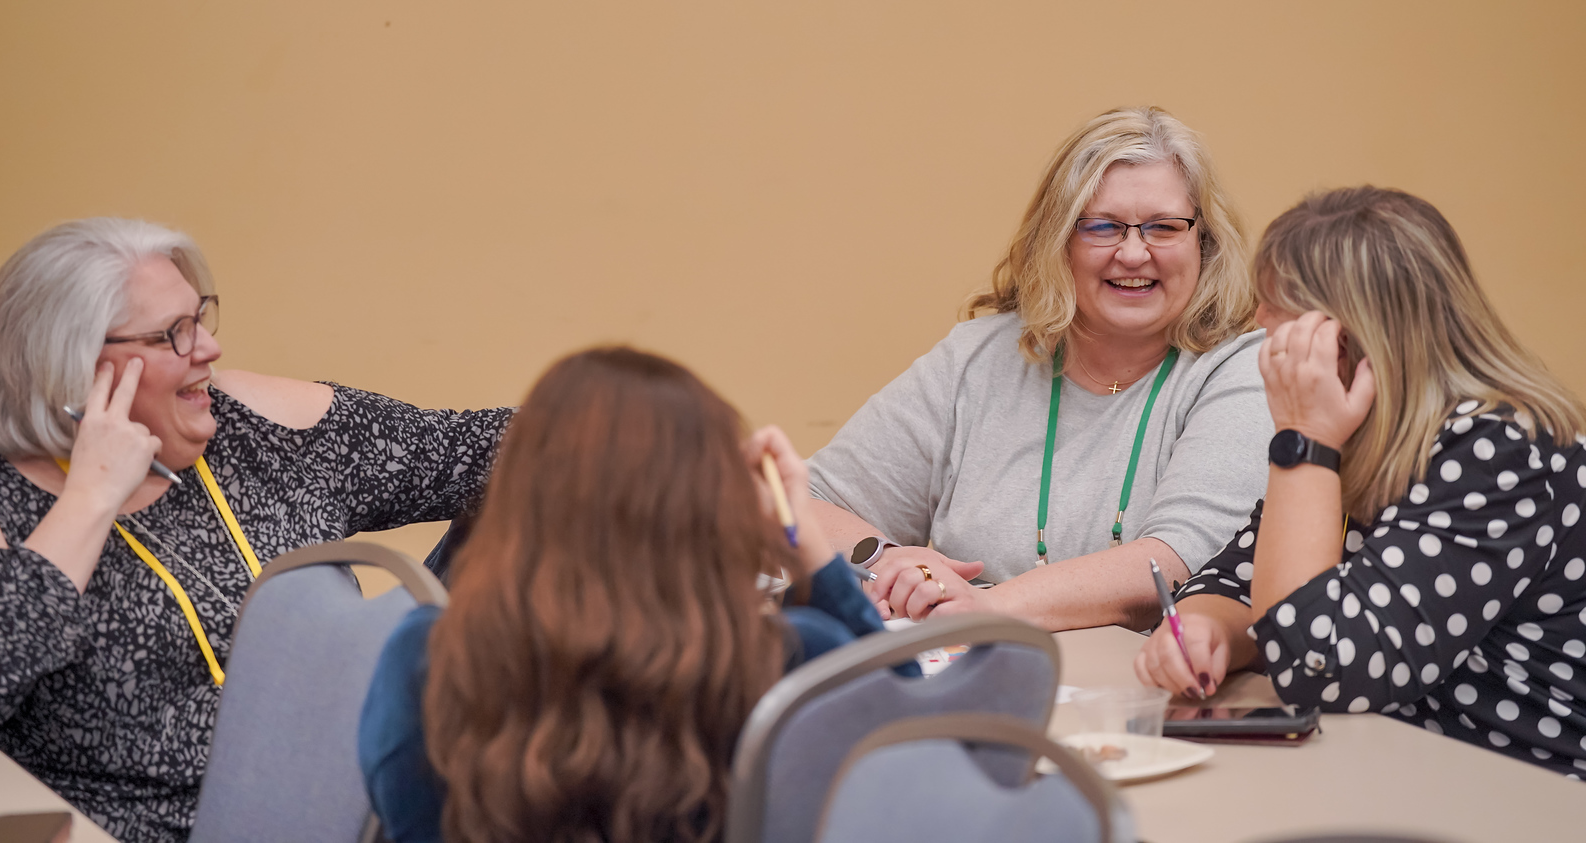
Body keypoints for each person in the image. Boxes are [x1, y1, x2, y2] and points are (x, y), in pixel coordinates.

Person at [0, 218, 511, 843]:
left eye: (200, 318)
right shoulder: (1, 502)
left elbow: (471, 451)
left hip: (368, 802)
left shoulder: (251, 424)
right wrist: (92, 495)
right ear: (73, 364)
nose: (207, 348)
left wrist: (624, 418)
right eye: (172, 335)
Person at [358, 347, 907, 843]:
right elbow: (905, 725)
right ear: (716, 506)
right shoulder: (783, 660)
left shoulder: (425, 660)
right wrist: (803, 538)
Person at [1135, 187, 1586, 773]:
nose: (1259, 326)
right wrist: (1204, 629)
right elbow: (1238, 579)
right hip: (1388, 768)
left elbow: (1319, 665)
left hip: (1517, 793)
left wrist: (1304, 442)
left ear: (1346, 335)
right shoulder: (1360, 434)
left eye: (1277, 311)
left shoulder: (1502, 448)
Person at [807, 107, 1272, 630]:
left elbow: (1175, 562)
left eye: (1164, 228)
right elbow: (800, 503)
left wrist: (981, 607)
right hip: (979, 680)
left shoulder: (1242, 368)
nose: (1135, 253)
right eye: (1103, 226)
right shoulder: (980, 357)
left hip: (1141, 696)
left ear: (1203, 243)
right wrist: (885, 559)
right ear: (1059, 241)